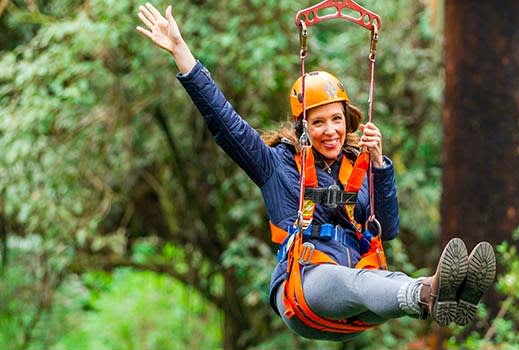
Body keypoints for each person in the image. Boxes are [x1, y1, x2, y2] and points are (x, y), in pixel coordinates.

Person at [135, 3, 496, 341]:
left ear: (347, 121)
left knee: (373, 281)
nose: (331, 131)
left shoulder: (358, 168)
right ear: (302, 126)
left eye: (337, 120)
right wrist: (182, 53)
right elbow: (224, 121)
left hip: (358, 295)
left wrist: (380, 166)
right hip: (306, 289)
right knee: (359, 283)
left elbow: (388, 229)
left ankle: (455, 297)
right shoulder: (275, 165)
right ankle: (432, 292)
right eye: (319, 122)